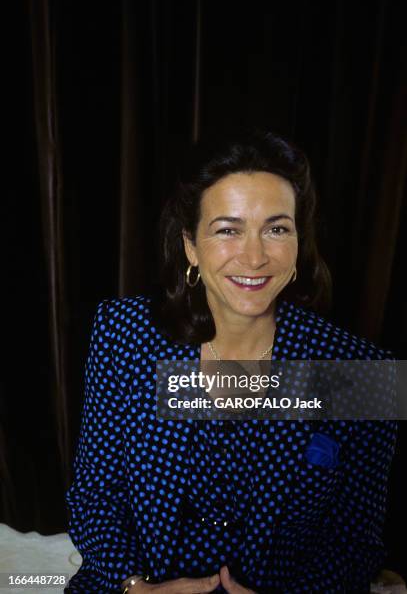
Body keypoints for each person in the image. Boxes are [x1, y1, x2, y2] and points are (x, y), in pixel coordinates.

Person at [65, 128, 397, 593]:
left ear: (299, 242)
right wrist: (137, 587)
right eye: (228, 230)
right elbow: (94, 495)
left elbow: (354, 544)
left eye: (277, 229)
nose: (255, 256)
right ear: (190, 246)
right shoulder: (124, 332)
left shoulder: (359, 368)